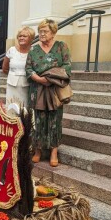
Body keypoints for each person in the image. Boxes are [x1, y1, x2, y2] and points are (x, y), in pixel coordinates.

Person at [25, 19, 71, 167]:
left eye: (45, 31)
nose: (42, 34)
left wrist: (51, 78)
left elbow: (67, 66)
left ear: (53, 32)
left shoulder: (61, 47)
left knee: (54, 119)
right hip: (37, 89)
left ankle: (53, 151)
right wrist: (38, 78)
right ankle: (38, 151)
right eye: (40, 31)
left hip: (54, 89)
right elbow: (28, 68)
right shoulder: (33, 49)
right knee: (37, 119)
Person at [2, 26, 35, 107]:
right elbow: (5, 68)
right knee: (11, 109)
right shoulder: (12, 50)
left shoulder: (34, 51)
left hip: (27, 87)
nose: (21, 38)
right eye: (20, 36)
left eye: (24, 36)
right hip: (12, 86)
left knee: (25, 111)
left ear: (31, 38)